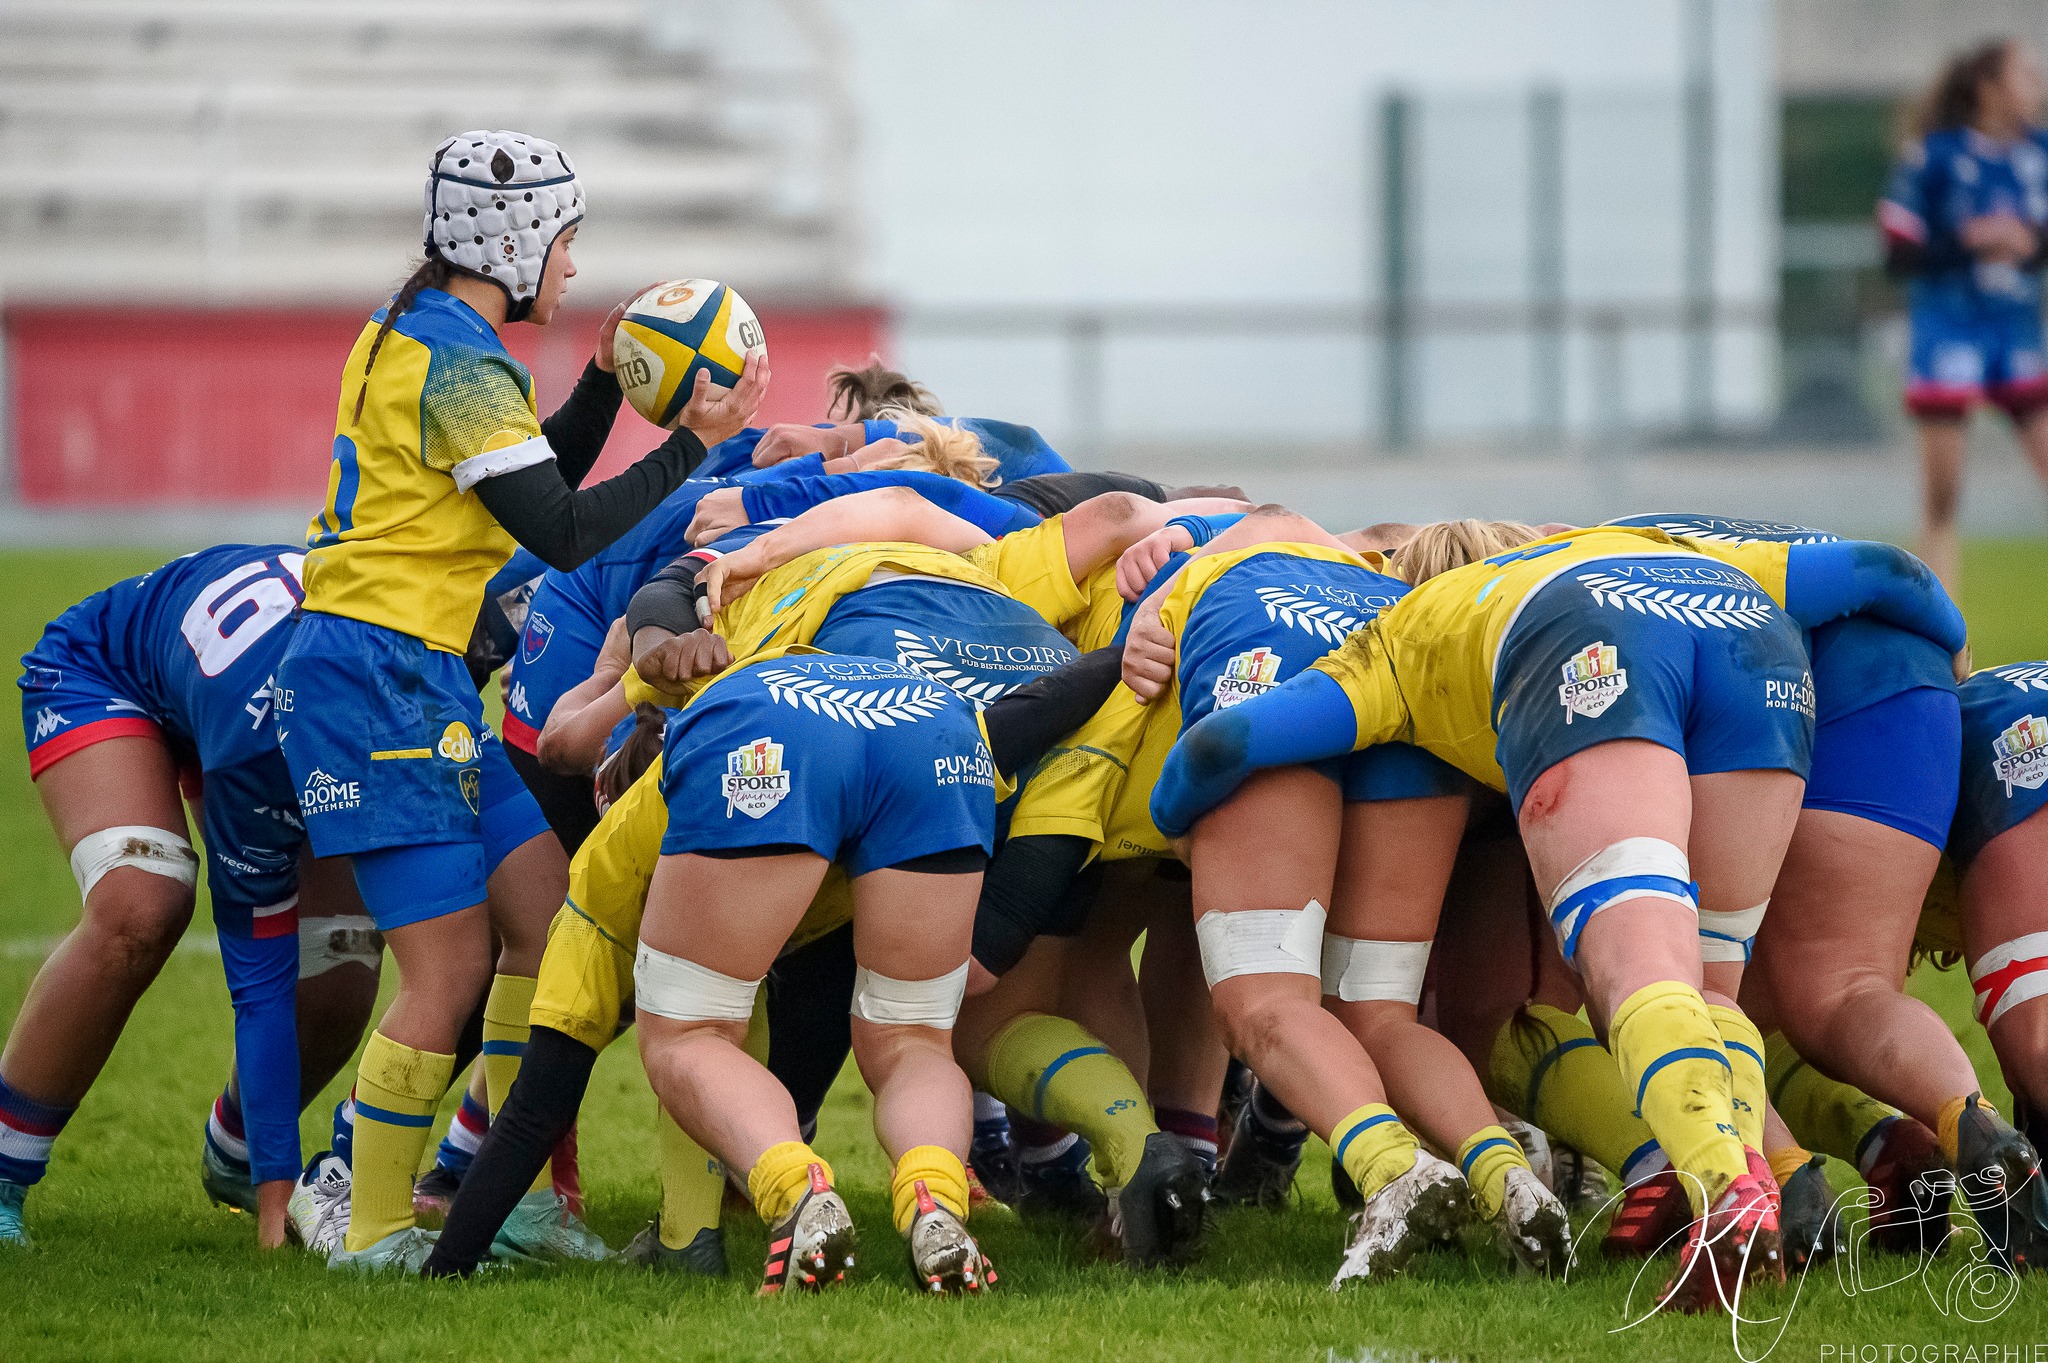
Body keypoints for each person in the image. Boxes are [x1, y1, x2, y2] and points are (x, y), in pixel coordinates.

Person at [1144, 522, 1968, 1311]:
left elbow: (1232, 742)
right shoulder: (1632, 542)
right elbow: (1885, 571)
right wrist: (1955, 641)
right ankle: (1752, 1167)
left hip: (1586, 644)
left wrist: (1169, 816)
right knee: (1711, 983)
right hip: (1758, 647)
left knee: (1633, 965)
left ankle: (1727, 1187)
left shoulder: (1410, 626)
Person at [273, 128, 766, 1271]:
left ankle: (517, 1195)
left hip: (421, 671)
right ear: (515, 239)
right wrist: (693, 446)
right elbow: (560, 528)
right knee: (445, 969)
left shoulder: (426, 334)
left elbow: (530, 474)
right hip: (370, 676)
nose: (573, 267)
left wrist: (600, 380)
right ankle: (373, 1225)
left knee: (547, 920)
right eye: (567, 241)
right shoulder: (459, 362)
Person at [0, 546, 381, 1249]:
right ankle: (1, 1166)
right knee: (143, 904)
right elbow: (258, 972)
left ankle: (235, 1152)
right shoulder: (257, 739)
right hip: (106, 674)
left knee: (343, 955)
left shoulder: (409, 688)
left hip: (242, 697)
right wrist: (279, 1203)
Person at [1882, 38, 2048, 589]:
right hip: (1947, 333)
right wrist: (1970, 241)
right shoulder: (1934, 156)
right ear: (1988, 88)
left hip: (2016, 333)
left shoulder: (2040, 154)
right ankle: (1939, 642)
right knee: (1942, 503)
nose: (2038, 87)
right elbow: (1898, 253)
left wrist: (2030, 243)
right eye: (2025, 75)